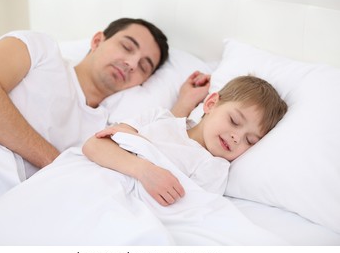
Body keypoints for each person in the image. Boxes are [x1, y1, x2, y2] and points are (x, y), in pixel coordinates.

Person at [0, 17, 209, 179]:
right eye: (127, 47)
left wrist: (184, 103)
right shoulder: (40, 49)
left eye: (144, 66)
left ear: (143, 82)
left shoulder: (102, 134)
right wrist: (56, 164)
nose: (131, 63)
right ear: (98, 40)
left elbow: (155, 146)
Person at [83, 75, 288, 206]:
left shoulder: (214, 168)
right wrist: (143, 168)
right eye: (234, 121)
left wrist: (134, 142)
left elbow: (187, 208)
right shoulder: (159, 118)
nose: (237, 137)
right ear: (210, 104)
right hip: (94, 184)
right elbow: (93, 145)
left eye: (250, 141)